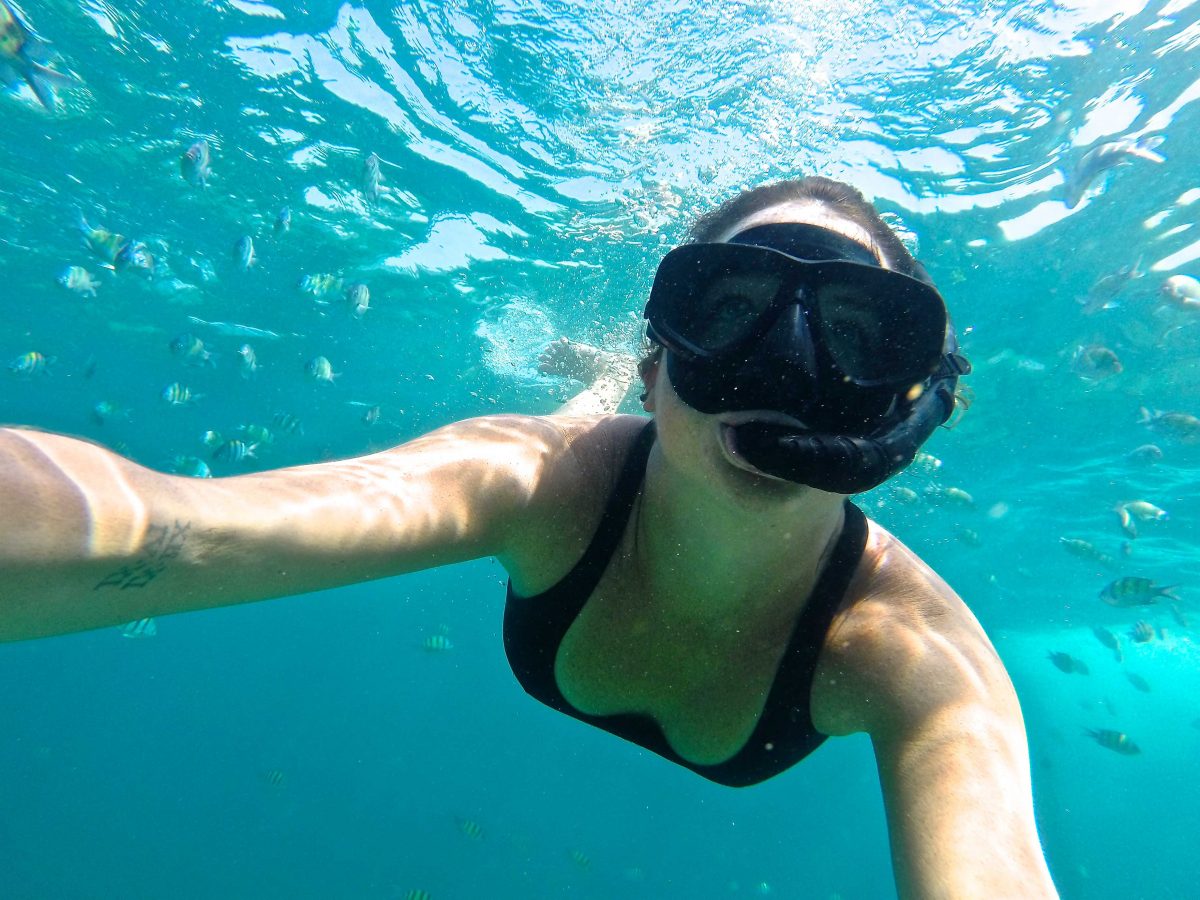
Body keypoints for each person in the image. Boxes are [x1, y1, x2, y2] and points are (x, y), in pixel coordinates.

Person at [0, 176, 1057, 897]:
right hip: (603, 448)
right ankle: (595, 384)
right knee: (571, 433)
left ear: (898, 403)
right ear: (658, 368)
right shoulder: (538, 483)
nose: (779, 367)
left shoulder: (907, 649)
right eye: (727, 307)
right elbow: (175, 533)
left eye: (856, 332)